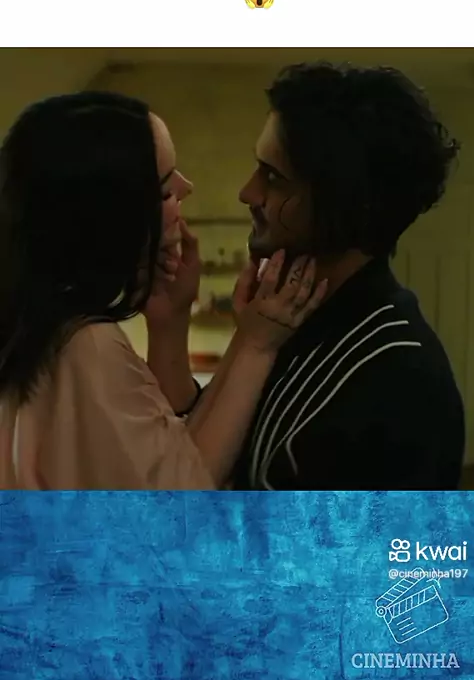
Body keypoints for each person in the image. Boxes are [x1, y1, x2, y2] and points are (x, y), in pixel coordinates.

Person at [0, 91, 328, 490]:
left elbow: (170, 460)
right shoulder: (85, 346)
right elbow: (181, 500)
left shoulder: (39, 329)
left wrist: (172, 324)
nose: (186, 187)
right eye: (164, 190)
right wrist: (256, 345)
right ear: (109, 217)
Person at [230, 61, 466, 490]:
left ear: (342, 203)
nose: (247, 193)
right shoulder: (288, 322)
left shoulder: (401, 379)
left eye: (273, 178)